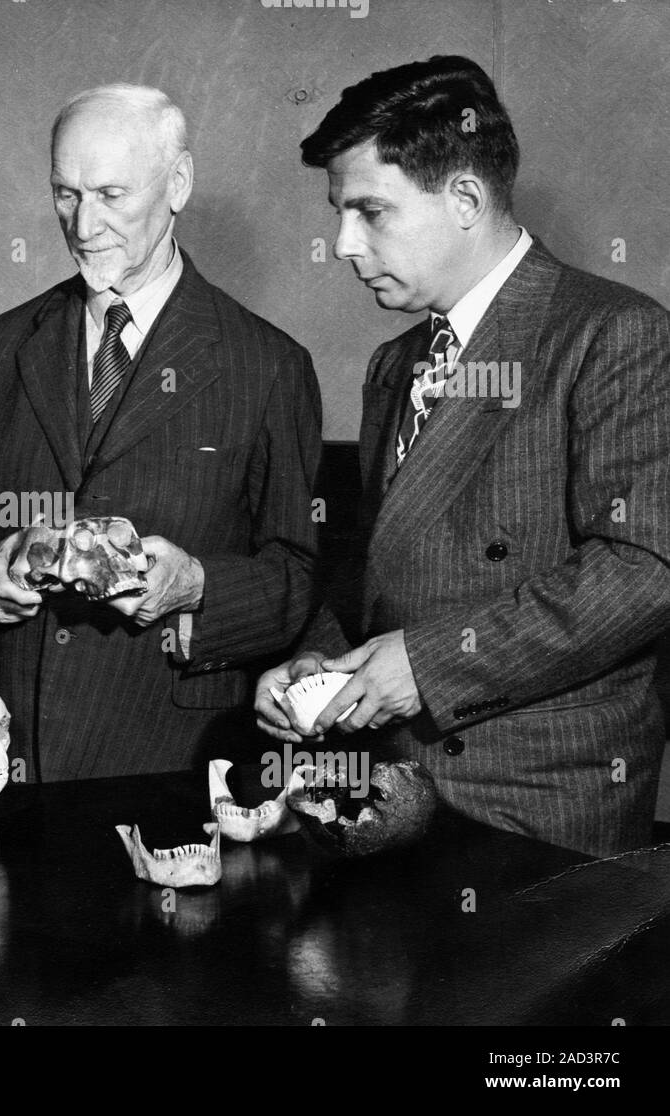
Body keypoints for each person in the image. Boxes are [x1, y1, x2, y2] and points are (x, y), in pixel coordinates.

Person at [256, 56, 670, 856]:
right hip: (393, 790)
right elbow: (385, 571)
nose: (343, 244)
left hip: (539, 808)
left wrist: (430, 664)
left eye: (370, 212)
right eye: (340, 214)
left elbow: (645, 571)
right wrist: (315, 669)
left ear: (467, 201)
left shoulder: (614, 333)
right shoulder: (394, 362)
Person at [0, 84, 322, 781]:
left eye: (111, 194)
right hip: (3, 761)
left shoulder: (268, 365)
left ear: (178, 183)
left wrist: (197, 585)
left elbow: (297, 579)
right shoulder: (0, 347)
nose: (84, 224)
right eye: (65, 193)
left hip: (169, 762)